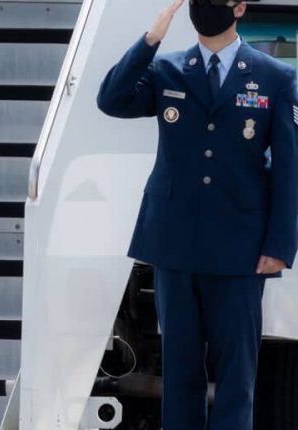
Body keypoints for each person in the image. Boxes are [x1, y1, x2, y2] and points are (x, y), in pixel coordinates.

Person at [97, 1, 298, 429]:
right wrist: (150, 39)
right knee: (180, 371)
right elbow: (112, 99)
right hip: (175, 244)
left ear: (239, 7)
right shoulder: (168, 68)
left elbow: (289, 168)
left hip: (240, 249)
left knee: (236, 375)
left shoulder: (275, 77)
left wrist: (280, 245)